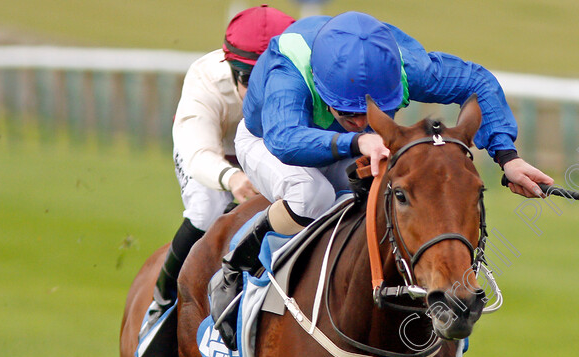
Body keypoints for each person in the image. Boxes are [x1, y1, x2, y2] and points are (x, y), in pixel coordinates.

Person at [210, 11, 553, 329]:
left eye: (372, 112)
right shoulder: (290, 71)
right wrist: (357, 141)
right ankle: (237, 264)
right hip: (268, 142)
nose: (360, 123)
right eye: (349, 114)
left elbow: (477, 82)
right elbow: (284, 139)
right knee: (313, 195)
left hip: (350, 144)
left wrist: (508, 158)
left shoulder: (406, 66)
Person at [139, 5, 295, 357]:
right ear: (230, 68)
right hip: (216, 154)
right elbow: (197, 152)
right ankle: (162, 304)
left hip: (265, 148)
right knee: (207, 210)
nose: (254, 92)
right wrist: (232, 178)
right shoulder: (205, 78)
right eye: (247, 80)